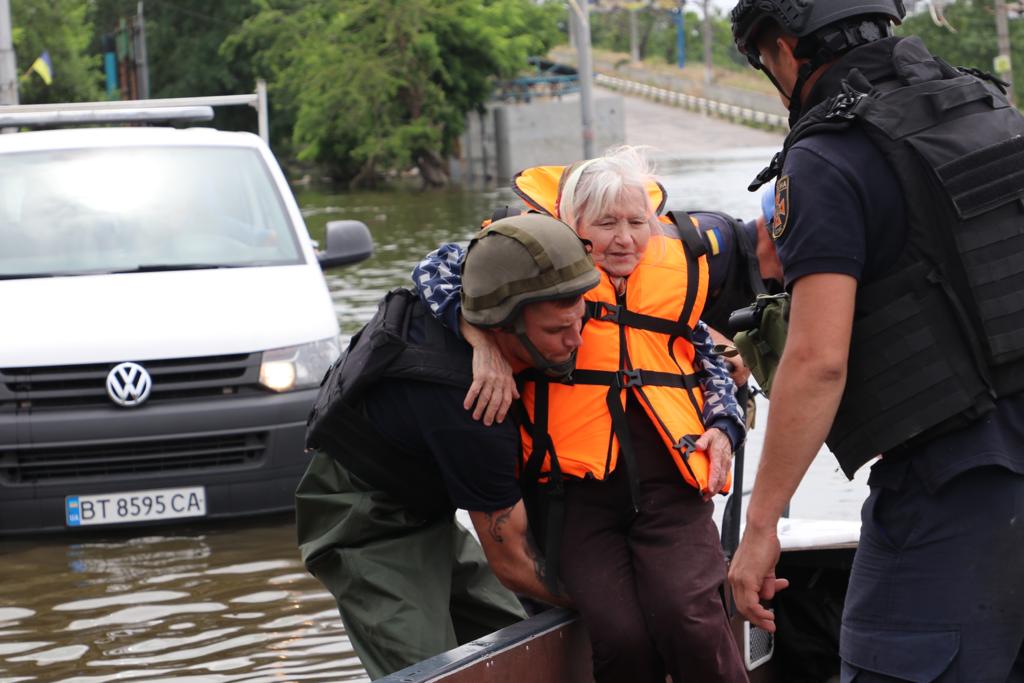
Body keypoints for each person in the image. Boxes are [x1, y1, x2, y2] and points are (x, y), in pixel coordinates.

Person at [726, 1, 1024, 680]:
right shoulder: (989, 107)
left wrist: (761, 525)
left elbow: (817, 360)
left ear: (784, 49)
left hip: (957, 482)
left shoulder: (826, 156)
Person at [414, 146, 749, 682]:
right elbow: (432, 270)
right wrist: (479, 340)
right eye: (607, 224)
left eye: (637, 223)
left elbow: (711, 366)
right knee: (620, 634)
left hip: (671, 489)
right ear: (572, 224)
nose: (625, 239)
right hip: (574, 498)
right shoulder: (537, 261)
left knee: (689, 616)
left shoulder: (674, 278)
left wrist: (724, 428)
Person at [295, 213, 601, 679]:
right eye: (556, 332)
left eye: (578, 321)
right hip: (361, 517)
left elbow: (450, 256)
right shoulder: (475, 407)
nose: (576, 340)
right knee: (428, 670)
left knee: (515, 635)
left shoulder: (480, 286)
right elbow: (514, 563)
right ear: (504, 324)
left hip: (426, 501)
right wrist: (611, 599)